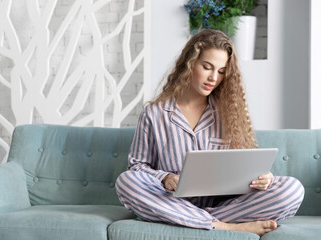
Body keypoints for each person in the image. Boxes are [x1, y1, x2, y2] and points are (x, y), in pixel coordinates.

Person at [115, 29, 304, 236]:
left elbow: (246, 164)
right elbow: (136, 167)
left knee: (293, 190)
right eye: (207, 67)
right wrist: (164, 177)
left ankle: (190, 220)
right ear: (189, 64)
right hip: (171, 200)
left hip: (224, 206)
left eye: (221, 71)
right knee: (127, 182)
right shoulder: (155, 113)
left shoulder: (229, 113)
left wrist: (262, 178)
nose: (213, 78)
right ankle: (224, 227)